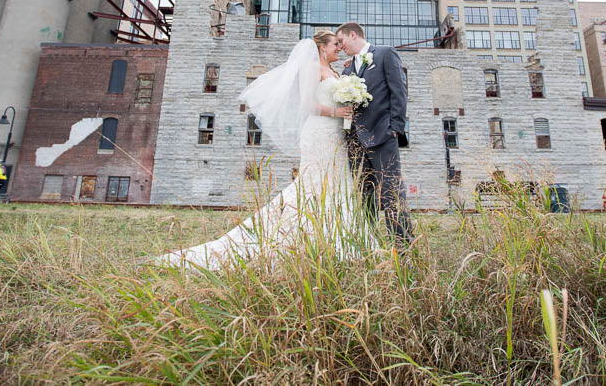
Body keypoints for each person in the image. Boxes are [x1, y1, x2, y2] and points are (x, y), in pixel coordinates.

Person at [155, 31, 364, 270]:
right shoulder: (312, 70)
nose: (339, 47)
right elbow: (306, 104)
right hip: (319, 133)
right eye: (335, 44)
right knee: (314, 184)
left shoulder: (336, 71)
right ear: (321, 48)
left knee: (336, 183)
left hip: (336, 135)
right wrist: (335, 112)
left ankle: (337, 237)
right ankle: (298, 235)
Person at [335, 22, 414, 250]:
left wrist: (395, 128)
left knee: (391, 192)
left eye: (341, 41)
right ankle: (369, 245)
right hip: (356, 143)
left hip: (382, 134)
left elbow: (399, 90)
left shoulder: (385, 53)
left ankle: (403, 246)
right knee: (365, 194)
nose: (340, 47)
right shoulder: (347, 70)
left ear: (353, 35)